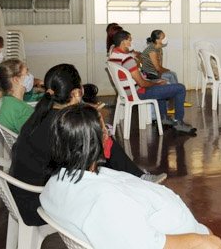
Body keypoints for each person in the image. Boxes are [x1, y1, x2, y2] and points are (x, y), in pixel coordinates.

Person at [40, 105, 221, 249]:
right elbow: (150, 245)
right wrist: (203, 241)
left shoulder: (59, 181)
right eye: (105, 130)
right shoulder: (105, 201)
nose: (109, 134)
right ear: (92, 143)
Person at [9, 64, 165, 226]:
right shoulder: (63, 125)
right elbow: (85, 166)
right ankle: (139, 184)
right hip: (40, 204)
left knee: (101, 150)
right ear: (76, 93)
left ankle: (138, 179)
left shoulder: (43, 114)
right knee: (103, 153)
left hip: (25, 194)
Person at [109, 30, 195, 135]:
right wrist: (156, 83)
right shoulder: (127, 59)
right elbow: (142, 84)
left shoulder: (113, 55)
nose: (131, 43)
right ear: (123, 42)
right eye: (129, 40)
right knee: (180, 88)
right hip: (138, 92)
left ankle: (163, 118)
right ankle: (179, 122)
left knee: (162, 86)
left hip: (127, 92)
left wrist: (154, 81)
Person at [0, 59, 34, 133]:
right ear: (16, 80)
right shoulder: (21, 110)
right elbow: (37, 137)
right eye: (27, 72)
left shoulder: (5, 101)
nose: (30, 76)